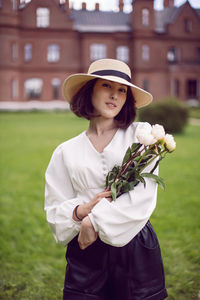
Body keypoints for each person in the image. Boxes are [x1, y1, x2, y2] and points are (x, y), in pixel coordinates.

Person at [45, 59, 168, 300]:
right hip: (85, 248)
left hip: (134, 248)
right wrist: (80, 212)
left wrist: (94, 222)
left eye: (122, 90)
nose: (114, 95)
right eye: (106, 86)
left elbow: (143, 197)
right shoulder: (65, 151)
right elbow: (55, 207)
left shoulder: (143, 137)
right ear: (89, 90)